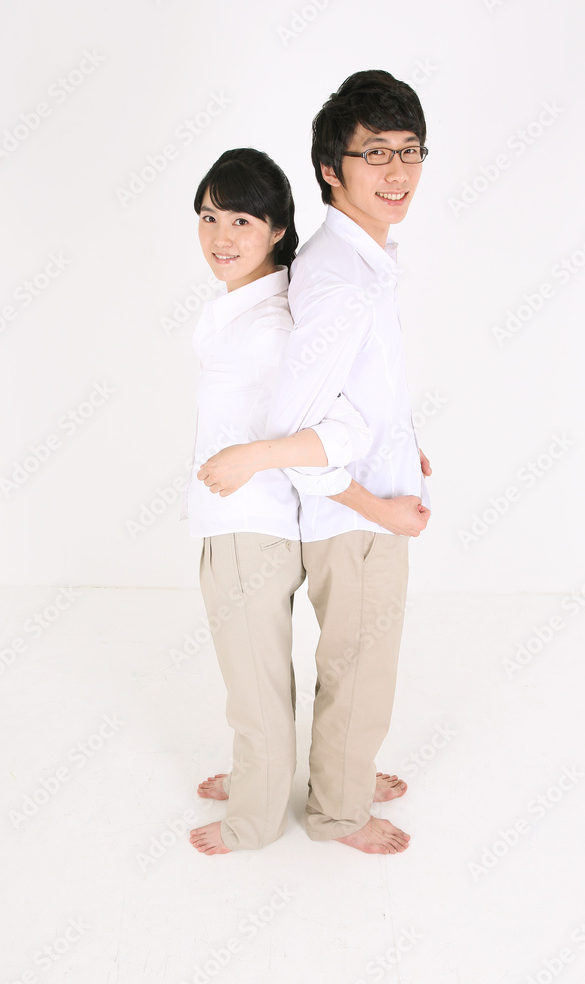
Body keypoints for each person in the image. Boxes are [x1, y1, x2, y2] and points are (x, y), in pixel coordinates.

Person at [198, 70, 432, 855]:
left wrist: (401, 440)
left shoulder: (362, 260)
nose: (396, 171)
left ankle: (343, 774)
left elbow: (357, 385)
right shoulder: (339, 279)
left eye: (408, 150)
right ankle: (338, 810)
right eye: (375, 154)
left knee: (354, 668)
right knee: (360, 674)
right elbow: (301, 428)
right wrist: (380, 506)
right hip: (354, 511)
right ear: (332, 169)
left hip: (365, 492)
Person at [181, 147, 374, 855]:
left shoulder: (271, 328)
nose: (221, 236)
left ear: (278, 231)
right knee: (256, 676)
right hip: (242, 525)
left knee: (254, 687)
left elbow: (342, 427)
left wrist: (250, 460)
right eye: (209, 216)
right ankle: (255, 778)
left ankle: (254, 820)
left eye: (241, 220)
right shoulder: (241, 311)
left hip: (249, 528)